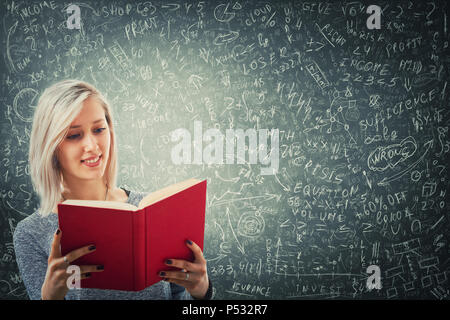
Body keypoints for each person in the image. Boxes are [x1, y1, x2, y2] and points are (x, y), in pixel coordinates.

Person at [13, 79, 212, 300]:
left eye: (99, 129)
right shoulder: (31, 233)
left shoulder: (152, 211)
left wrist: (201, 291)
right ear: (51, 146)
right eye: (74, 135)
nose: (92, 145)